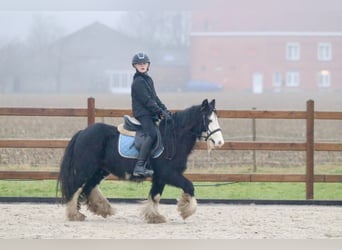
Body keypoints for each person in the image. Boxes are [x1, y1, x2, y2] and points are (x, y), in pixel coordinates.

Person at [130, 52, 172, 177]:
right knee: (152, 134)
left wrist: (165, 110)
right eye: (139, 64)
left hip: (150, 113)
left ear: (148, 65)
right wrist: (160, 112)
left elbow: (155, 98)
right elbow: (147, 101)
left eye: (144, 63)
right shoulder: (138, 82)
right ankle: (139, 166)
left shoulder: (148, 79)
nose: (142, 66)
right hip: (143, 114)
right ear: (135, 66)